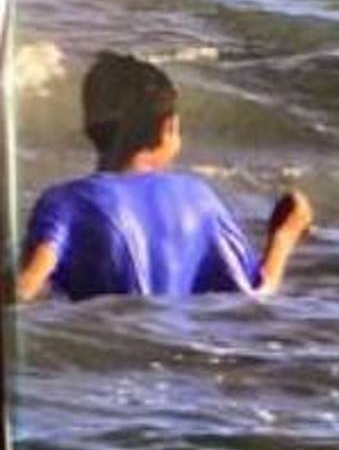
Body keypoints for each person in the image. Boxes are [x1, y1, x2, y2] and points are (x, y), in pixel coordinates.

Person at [16, 51, 313, 303]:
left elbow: (25, 288)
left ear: (90, 125)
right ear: (168, 129)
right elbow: (255, 295)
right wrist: (284, 236)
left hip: (102, 360)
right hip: (174, 363)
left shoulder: (64, 203)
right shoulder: (198, 199)